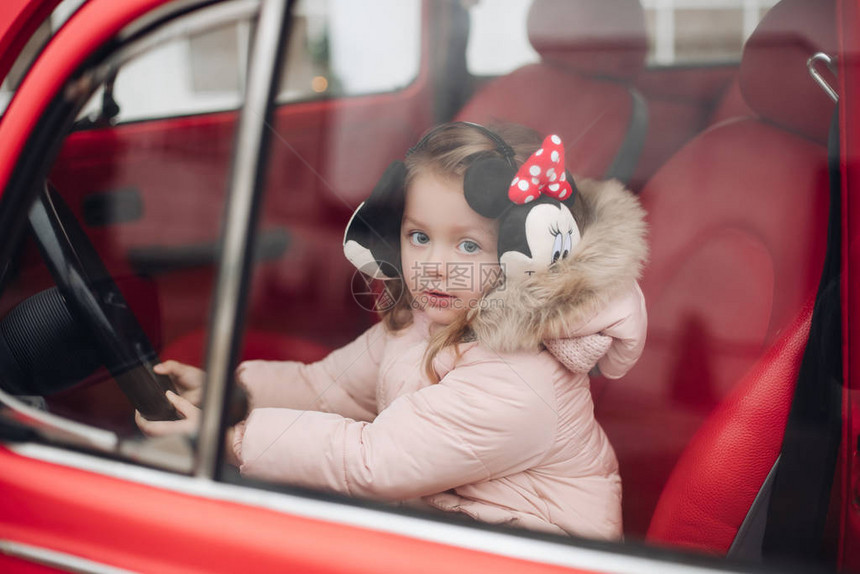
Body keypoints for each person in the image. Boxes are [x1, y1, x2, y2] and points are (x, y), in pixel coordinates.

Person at [137, 122, 648, 540]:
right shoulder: (424, 321)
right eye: (419, 237)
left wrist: (232, 440)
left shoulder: (518, 377)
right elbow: (328, 388)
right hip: (454, 534)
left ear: (528, 254)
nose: (434, 267)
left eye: (469, 246)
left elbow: (374, 462)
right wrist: (234, 395)